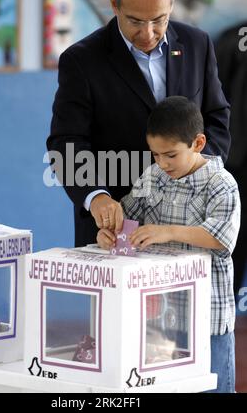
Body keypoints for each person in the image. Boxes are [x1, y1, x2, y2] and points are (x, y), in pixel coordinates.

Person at [47, 0, 231, 247]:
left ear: (171, 5)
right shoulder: (81, 61)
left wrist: (193, 174)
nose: (148, 34)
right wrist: (97, 196)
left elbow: (217, 117)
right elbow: (66, 142)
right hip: (114, 226)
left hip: (190, 221)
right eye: (135, 21)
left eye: (159, 20)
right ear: (114, 5)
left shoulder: (198, 44)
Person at [97, 96, 240, 393]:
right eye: (156, 155)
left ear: (198, 143)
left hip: (208, 319)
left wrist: (167, 232)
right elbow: (128, 222)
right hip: (163, 321)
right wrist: (110, 234)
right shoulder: (153, 177)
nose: (162, 163)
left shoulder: (222, 184)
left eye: (171, 155)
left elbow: (221, 238)